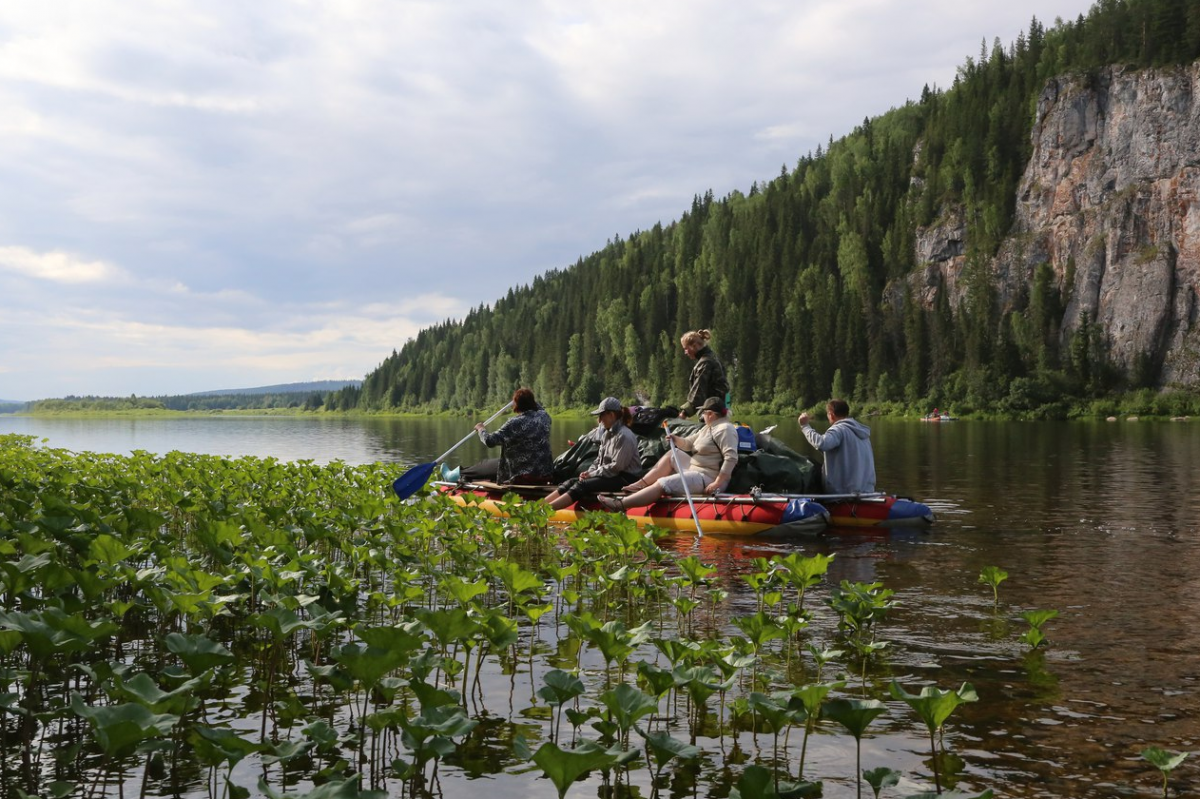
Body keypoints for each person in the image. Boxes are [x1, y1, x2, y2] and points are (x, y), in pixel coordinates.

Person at [599, 396, 738, 511]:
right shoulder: (708, 428)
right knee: (673, 453)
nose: (701, 416)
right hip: (697, 469)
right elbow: (689, 443)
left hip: (709, 477)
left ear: (711, 414)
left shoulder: (725, 429)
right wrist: (675, 438)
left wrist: (717, 483)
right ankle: (640, 485)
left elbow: (731, 458)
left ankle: (621, 505)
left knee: (662, 483)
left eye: (703, 413)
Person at [544, 397, 642, 510]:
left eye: (601, 415)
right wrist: (589, 472)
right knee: (571, 481)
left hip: (626, 479)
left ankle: (546, 511)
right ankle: (539, 506)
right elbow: (599, 460)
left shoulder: (625, 436)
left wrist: (592, 475)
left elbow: (617, 467)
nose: (599, 420)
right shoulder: (607, 434)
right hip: (612, 475)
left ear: (611, 415)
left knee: (583, 485)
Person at [451, 387, 553, 485]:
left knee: (486, 464)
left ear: (517, 404)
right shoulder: (544, 417)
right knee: (496, 463)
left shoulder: (514, 423)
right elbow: (538, 407)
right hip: (543, 472)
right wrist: (527, 398)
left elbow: (490, 441)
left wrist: (481, 429)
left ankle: (457, 474)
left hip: (520, 473)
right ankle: (461, 473)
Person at [798, 398, 876, 494]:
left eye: (828, 414)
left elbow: (821, 443)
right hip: (866, 491)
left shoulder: (839, 429)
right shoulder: (862, 433)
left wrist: (805, 426)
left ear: (831, 415)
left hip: (845, 494)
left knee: (808, 462)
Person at [678, 329, 730, 419]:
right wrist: (727, 408)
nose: (685, 352)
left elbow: (698, 392)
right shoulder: (712, 356)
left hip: (713, 411)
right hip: (723, 408)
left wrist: (684, 413)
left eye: (686, 348)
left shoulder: (705, 362)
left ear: (694, 346)